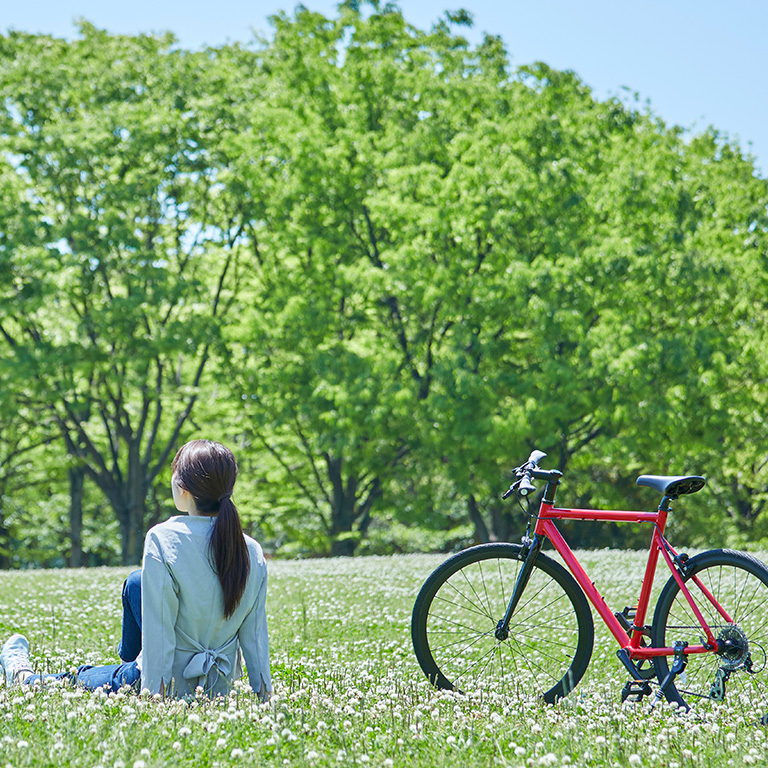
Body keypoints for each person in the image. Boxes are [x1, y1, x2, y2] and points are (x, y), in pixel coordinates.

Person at [0, 439, 271, 700]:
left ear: (183, 488)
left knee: (80, 678)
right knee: (137, 582)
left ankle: (22, 677)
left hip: (167, 682)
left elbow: (160, 630)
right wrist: (264, 695)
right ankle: (128, 665)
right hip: (219, 685)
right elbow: (255, 638)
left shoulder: (164, 538)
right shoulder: (251, 549)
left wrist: (154, 694)